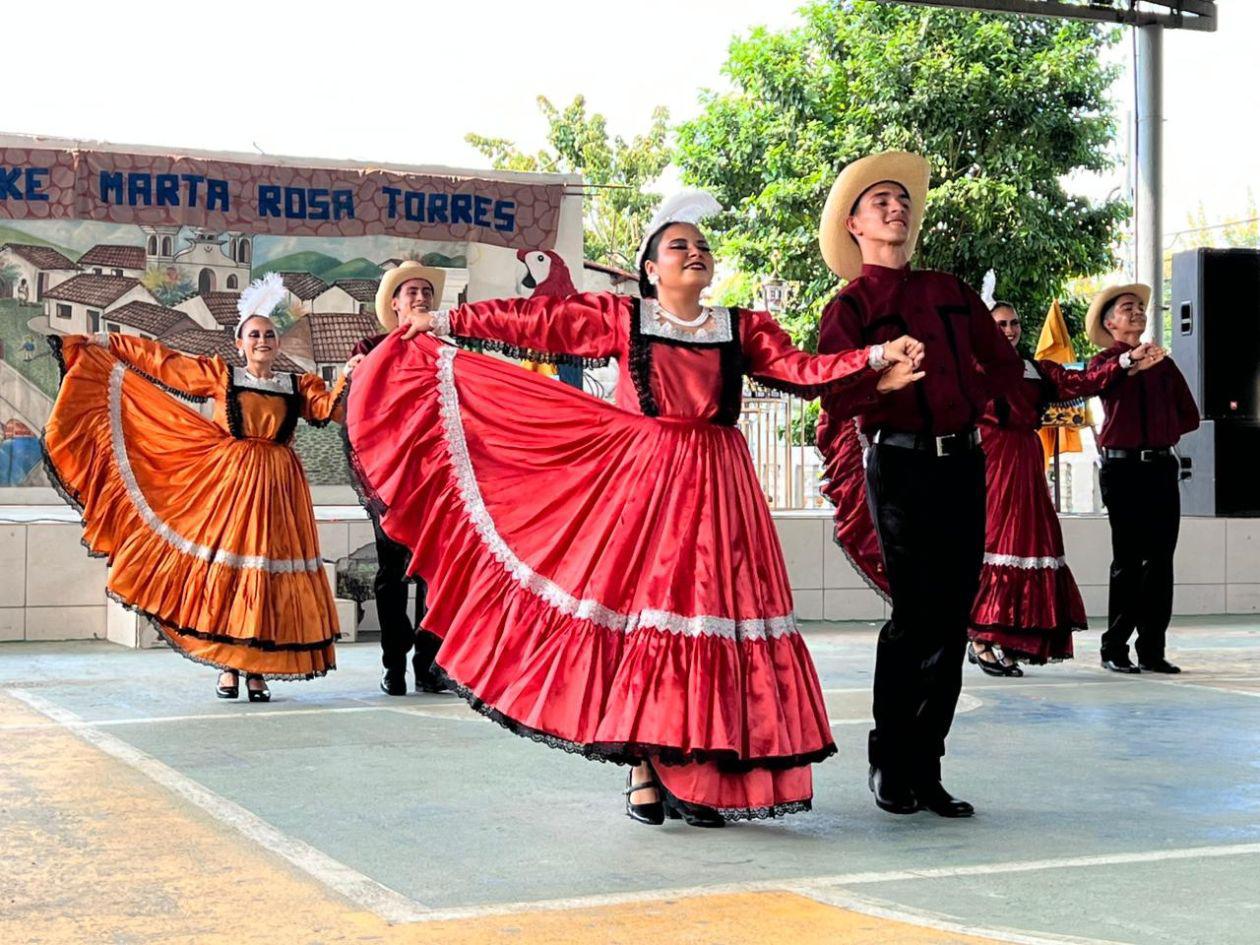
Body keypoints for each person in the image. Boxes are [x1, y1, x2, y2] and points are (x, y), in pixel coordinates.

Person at [344, 190, 924, 826]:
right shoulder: (625, 318)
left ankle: (702, 775)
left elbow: (800, 368)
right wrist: (450, 323)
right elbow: (540, 322)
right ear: (651, 269)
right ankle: (644, 768)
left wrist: (872, 357)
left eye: (701, 246)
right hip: (646, 489)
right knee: (646, 622)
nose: (695, 253)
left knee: (712, 622)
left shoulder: (741, 326)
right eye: (679, 245)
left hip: (722, 491)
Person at [814, 151, 1023, 818]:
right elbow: (831, 390)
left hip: (963, 463)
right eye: (881, 202)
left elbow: (1003, 364)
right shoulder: (848, 308)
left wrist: (990, 400)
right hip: (897, 466)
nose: (897, 208)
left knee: (955, 616)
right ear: (855, 224)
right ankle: (889, 757)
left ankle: (926, 767)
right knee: (915, 614)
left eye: (902, 201)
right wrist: (879, 383)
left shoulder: (951, 292)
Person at [43, 273, 350, 701]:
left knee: (267, 576)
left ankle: (256, 669)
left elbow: (333, 410)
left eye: (270, 335)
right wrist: (111, 344)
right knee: (229, 573)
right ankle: (228, 666)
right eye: (255, 335)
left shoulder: (297, 386)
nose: (263, 340)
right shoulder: (223, 376)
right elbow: (166, 362)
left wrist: (354, 375)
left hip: (281, 489)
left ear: (278, 344)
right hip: (232, 485)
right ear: (240, 344)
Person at [967, 300, 1162, 676]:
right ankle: (980, 637)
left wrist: (1124, 362)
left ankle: (1006, 638)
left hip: (1026, 458)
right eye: (1001, 324)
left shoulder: (1033, 369)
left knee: (1032, 542)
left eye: (1014, 323)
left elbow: (1082, 381)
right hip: (993, 459)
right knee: (997, 542)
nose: (1009, 330)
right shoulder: (973, 367)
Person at [347, 262, 450, 696]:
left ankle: (429, 664)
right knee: (392, 572)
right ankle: (394, 663)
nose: (420, 298)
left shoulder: (444, 351)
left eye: (426, 291)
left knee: (437, 572)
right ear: (394, 303)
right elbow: (356, 415)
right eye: (411, 292)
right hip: (387, 480)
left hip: (435, 478)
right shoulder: (371, 349)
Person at [1086, 284, 1199, 675]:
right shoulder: (1105, 363)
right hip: (1123, 469)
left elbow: (1190, 414)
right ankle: (1114, 646)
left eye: (1139, 307)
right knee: (1129, 559)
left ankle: (1152, 648)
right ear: (1110, 322)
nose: (1136, 312)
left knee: (1162, 561)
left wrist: (1160, 431)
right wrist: (1129, 366)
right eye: (1126, 307)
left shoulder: (1164, 364)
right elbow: (1097, 383)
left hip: (1160, 467)